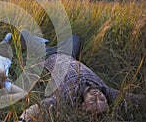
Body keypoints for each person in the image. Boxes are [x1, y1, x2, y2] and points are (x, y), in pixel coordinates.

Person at [15, 30, 145, 121]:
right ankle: (48, 42)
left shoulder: (67, 96)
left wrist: (22, 119)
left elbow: (38, 107)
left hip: (46, 55)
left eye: (93, 101)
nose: (98, 96)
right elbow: (133, 98)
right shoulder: (106, 91)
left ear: (83, 105)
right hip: (69, 54)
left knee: (23, 33)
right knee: (76, 38)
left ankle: (44, 44)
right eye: (102, 100)